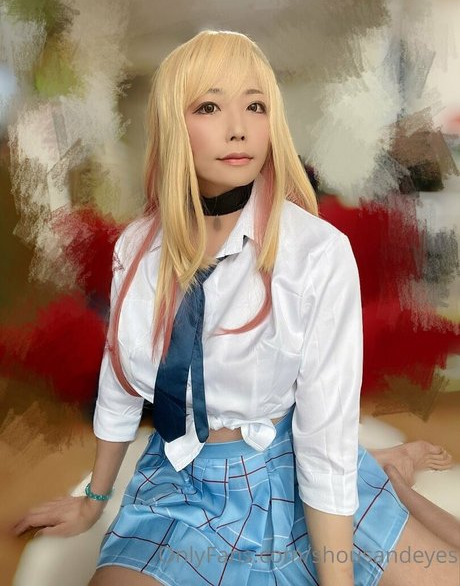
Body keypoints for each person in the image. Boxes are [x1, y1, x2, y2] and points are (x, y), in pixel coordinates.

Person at [14, 30, 459, 585]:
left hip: (293, 471)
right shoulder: (136, 249)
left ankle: (381, 474)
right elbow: (120, 385)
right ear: (173, 126)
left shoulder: (318, 253)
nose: (238, 127)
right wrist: (94, 499)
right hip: (181, 485)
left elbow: (321, 436)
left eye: (255, 106)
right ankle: (381, 467)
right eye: (209, 107)